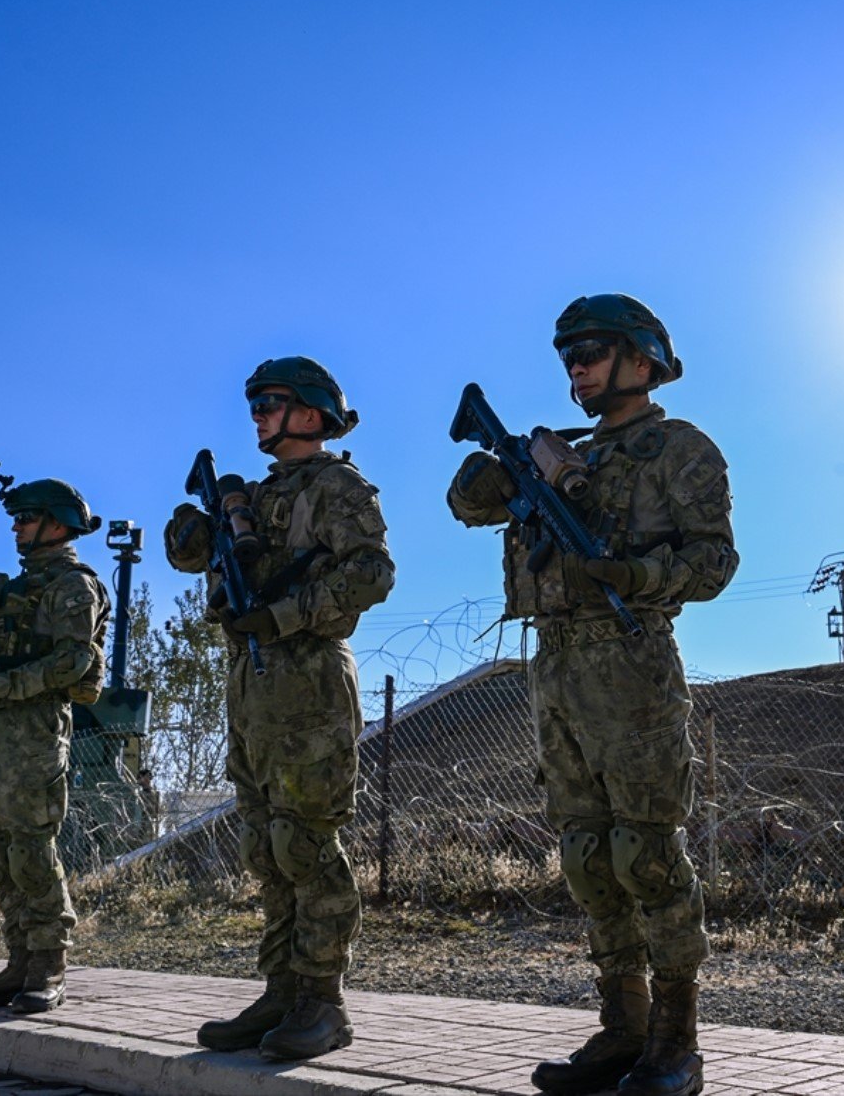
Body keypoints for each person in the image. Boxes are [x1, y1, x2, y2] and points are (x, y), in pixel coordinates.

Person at [448, 294, 738, 1096]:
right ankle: (622, 1029)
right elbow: (464, 504)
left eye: (594, 350)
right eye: (568, 353)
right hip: (557, 660)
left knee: (645, 851)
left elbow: (714, 561)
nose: (577, 365)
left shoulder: (680, 449)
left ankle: (676, 1041)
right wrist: (491, 478)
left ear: (643, 359)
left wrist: (641, 576)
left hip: (629, 655)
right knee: (585, 854)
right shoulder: (552, 454)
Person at [164, 356, 394, 1061]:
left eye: (272, 402)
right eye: (256, 403)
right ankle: (280, 991)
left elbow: (372, 574)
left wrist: (287, 615)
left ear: (313, 411)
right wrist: (195, 534)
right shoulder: (254, 498)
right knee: (265, 846)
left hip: (309, 682)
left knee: (305, 844)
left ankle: (323, 1002)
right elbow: (197, 565)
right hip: (252, 685)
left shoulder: (339, 486)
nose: (259, 414)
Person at [0, 478, 111, 1014]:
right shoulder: (11, 588)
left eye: (26, 517)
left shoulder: (73, 586)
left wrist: (4, 686)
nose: (16, 527)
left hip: (33, 727)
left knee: (31, 849)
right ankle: (18, 961)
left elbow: (72, 664)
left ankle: (48, 965)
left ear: (56, 524)